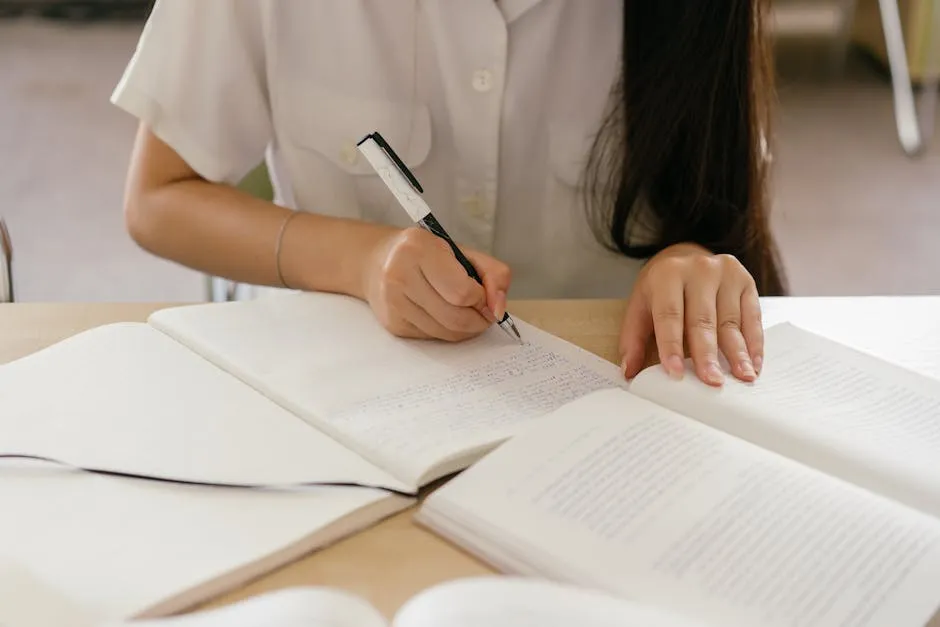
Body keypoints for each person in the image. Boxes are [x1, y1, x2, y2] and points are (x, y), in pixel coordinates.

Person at [112, 0, 787, 387]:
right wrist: (360, 261)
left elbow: (716, 219)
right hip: (344, 396)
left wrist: (691, 261)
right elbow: (158, 197)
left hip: (614, 398)